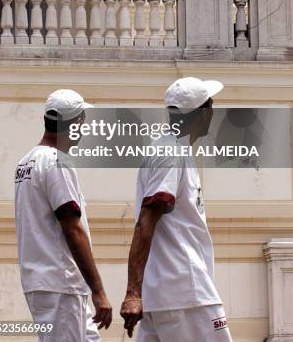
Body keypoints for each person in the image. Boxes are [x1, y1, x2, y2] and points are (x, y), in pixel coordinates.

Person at [120, 77, 233, 341]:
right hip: (186, 293)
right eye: (211, 106)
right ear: (203, 113)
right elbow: (146, 222)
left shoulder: (171, 151)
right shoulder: (170, 154)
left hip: (165, 295)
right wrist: (133, 293)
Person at [15, 89, 112, 342]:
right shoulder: (58, 162)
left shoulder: (26, 162)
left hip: (46, 282)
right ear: (76, 123)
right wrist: (99, 291)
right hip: (61, 283)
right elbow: (72, 228)